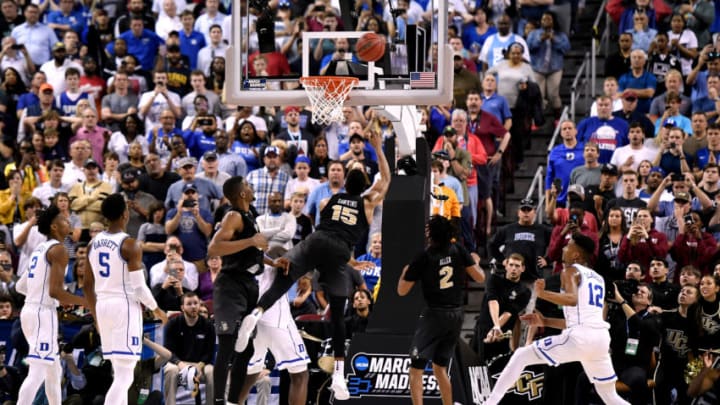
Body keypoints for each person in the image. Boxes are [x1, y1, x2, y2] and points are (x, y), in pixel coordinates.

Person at [234, 129, 390, 400]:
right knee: (339, 315)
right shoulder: (367, 201)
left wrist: (348, 258)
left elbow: (330, 230)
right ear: (364, 184)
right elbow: (386, 179)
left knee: (284, 278)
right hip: (338, 248)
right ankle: (340, 378)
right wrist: (378, 147)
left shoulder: (330, 199)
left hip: (316, 240)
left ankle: (256, 313)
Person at [485, 233, 630, 405]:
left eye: (568, 246)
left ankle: (489, 403)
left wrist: (542, 293)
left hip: (580, 338)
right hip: (600, 340)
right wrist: (545, 321)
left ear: (576, 255)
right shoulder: (598, 278)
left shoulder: (569, 271)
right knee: (610, 396)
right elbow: (580, 319)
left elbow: (571, 299)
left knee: (521, 355)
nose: (563, 248)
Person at [84, 194, 168, 405]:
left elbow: (86, 285)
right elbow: (139, 287)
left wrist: (95, 314)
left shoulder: (93, 244)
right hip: (123, 306)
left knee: (118, 371)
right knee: (125, 375)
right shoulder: (129, 244)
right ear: (125, 214)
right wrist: (157, 309)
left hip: (102, 305)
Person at [397, 215, 485, 405]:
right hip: (456, 315)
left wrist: (405, 272)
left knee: (416, 369)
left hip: (434, 316)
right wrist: (475, 261)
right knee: (440, 368)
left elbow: (402, 291)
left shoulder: (423, 256)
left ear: (431, 234)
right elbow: (479, 278)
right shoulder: (459, 249)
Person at [15, 205, 87, 405]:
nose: (69, 222)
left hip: (32, 311)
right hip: (41, 314)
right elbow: (55, 291)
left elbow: (21, 286)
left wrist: (41, 297)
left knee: (53, 369)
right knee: (38, 371)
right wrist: (86, 302)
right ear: (55, 227)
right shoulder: (59, 249)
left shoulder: (40, 248)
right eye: (64, 220)